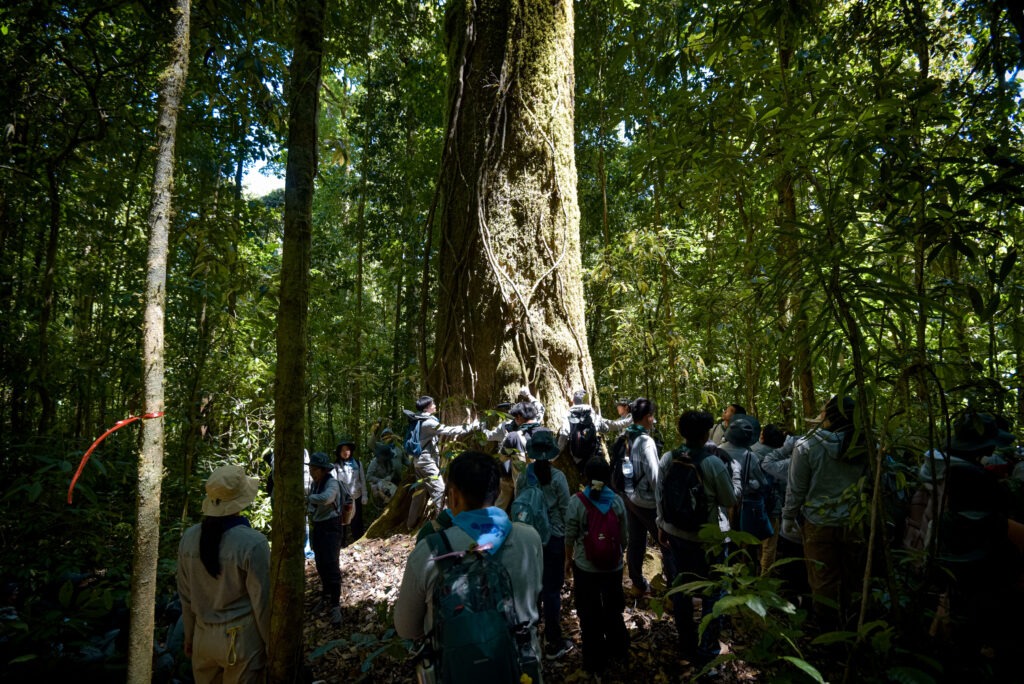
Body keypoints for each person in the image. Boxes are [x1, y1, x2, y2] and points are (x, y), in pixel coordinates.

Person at [394, 450, 544, 680]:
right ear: (497, 492)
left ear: (453, 496)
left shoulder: (430, 552)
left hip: (456, 672)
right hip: (521, 668)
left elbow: (406, 628)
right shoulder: (529, 538)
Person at [656, 410, 739, 672]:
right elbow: (729, 499)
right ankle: (707, 649)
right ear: (705, 435)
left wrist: (661, 525)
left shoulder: (668, 458)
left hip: (675, 534)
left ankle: (686, 643)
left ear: (681, 432)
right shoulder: (712, 463)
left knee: (681, 588)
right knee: (714, 591)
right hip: (706, 538)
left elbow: (660, 495)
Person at [176, 465, 270, 683]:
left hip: (202, 638)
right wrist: (271, 643)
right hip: (241, 641)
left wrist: (189, 636)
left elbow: (185, 596)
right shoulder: (253, 543)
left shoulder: (189, 538)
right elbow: (262, 602)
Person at [780, 395, 866, 630]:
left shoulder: (807, 445)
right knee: (852, 577)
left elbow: (796, 488)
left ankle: (827, 630)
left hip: (818, 522)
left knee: (822, 579)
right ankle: (851, 626)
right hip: (855, 521)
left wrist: (788, 516)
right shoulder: (867, 443)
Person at [565, 456, 630, 678]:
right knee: (613, 608)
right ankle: (619, 650)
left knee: (588, 612)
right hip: (613, 567)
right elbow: (624, 537)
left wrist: (568, 559)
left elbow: (570, 535)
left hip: (586, 567)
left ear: (585, 476)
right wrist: (619, 554)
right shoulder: (617, 501)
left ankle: (594, 659)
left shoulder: (577, 502)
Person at [515, 428, 572, 660]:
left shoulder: (523, 477)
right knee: (552, 590)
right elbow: (566, 510)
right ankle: (553, 641)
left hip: (529, 539)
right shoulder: (558, 478)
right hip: (554, 539)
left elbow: (519, 504)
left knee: (532, 589)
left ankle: (530, 639)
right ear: (550, 453)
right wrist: (569, 546)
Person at [621, 397, 676, 593]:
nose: (653, 420)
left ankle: (637, 584)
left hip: (630, 497)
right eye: (652, 416)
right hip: (647, 502)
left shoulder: (626, 435)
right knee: (667, 543)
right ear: (647, 417)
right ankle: (675, 592)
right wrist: (663, 512)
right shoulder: (646, 442)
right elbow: (655, 479)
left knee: (636, 541)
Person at [404, 395, 480, 515]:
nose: (435, 406)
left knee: (419, 494)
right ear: (426, 408)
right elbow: (449, 430)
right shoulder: (428, 423)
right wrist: (471, 427)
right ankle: (444, 519)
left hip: (418, 461)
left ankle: (410, 523)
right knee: (439, 490)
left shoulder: (418, 419)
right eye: (432, 404)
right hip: (427, 463)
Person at [718, 414, 773, 574]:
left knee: (724, 544)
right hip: (743, 506)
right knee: (745, 546)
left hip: (720, 504)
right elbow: (763, 484)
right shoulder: (750, 456)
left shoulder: (718, 451)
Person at [305, 451, 344, 625]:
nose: (312, 472)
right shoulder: (316, 484)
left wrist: (308, 498)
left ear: (323, 470)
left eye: (314, 469)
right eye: (311, 469)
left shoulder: (332, 483)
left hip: (331, 527)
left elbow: (327, 499)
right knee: (320, 563)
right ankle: (326, 596)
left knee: (331, 564)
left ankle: (335, 605)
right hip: (319, 527)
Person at [558, 389, 631, 472]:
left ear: (573, 401)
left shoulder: (568, 414)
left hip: (577, 458)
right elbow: (607, 429)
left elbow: (564, 434)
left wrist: (556, 454)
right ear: (587, 401)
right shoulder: (592, 414)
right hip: (592, 455)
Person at [334, 437, 368, 546]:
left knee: (357, 523)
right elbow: (334, 484)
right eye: (343, 450)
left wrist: (365, 495)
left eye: (347, 449)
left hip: (356, 497)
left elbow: (362, 480)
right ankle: (341, 546)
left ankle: (359, 543)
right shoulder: (336, 466)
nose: (345, 452)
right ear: (339, 452)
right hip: (343, 500)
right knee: (342, 524)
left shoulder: (358, 463)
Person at [366, 429, 403, 505]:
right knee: (379, 497)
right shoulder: (375, 461)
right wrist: (380, 480)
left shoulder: (396, 451)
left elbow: (392, 470)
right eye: (385, 436)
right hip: (377, 486)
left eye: (389, 436)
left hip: (391, 483)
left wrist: (389, 477)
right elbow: (368, 477)